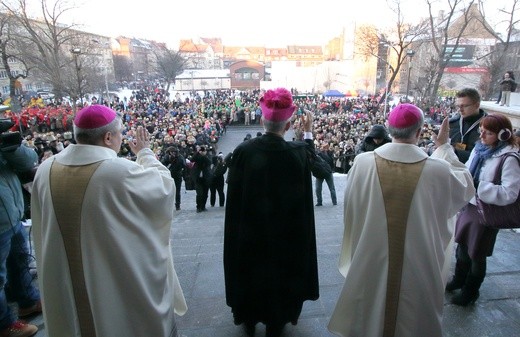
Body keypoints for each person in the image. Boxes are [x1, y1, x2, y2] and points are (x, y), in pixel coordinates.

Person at [31, 105, 187, 337]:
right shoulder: (118, 171)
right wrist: (145, 153)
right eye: (121, 132)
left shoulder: (45, 169)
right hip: (110, 281)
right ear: (107, 137)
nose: (122, 137)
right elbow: (164, 189)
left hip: (62, 279)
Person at [328, 104, 475, 337]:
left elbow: (352, 208)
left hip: (371, 254)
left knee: (371, 310)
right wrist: (444, 147)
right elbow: (465, 187)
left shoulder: (363, 163)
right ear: (418, 133)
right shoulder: (438, 170)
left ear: (389, 129)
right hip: (419, 261)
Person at [224, 88, 319, 337]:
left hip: (249, 233)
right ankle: (277, 318)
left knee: (250, 271)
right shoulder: (297, 153)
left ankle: (248, 316)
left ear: (261, 119)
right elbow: (318, 163)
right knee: (281, 274)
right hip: (286, 236)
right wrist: (307, 133)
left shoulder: (244, 152)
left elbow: (233, 197)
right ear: (288, 124)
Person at [447, 113, 520, 306]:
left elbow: (509, 192)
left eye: (487, 133)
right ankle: (459, 280)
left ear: (503, 135)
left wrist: (479, 186)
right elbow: (467, 172)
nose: (481, 137)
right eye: (481, 132)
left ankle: (471, 290)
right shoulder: (479, 150)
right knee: (462, 245)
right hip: (469, 207)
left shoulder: (509, 158)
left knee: (477, 253)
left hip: (487, 212)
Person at [0, 123, 41, 337]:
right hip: (2, 217)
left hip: (12, 212)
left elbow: (28, 160)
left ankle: (28, 301)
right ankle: (4, 324)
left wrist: (11, 146)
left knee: (20, 260)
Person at [449, 88, 487, 163]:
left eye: (464, 106)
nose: (460, 109)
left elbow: (484, 156)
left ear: (477, 105)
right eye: (458, 106)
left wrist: (454, 151)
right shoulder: (452, 123)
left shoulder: (489, 127)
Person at [161, 146, 186, 211]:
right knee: (168, 191)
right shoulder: (166, 157)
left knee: (177, 191)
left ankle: (178, 205)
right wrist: (169, 160)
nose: (173, 153)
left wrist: (176, 160)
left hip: (177, 175)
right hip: (168, 176)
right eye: (171, 152)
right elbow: (162, 164)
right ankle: (168, 205)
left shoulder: (179, 157)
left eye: (174, 152)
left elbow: (183, 164)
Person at [191, 145, 212, 212]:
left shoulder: (207, 156)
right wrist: (198, 152)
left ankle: (203, 206)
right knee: (199, 193)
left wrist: (204, 155)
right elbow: (192, 159)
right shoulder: (197, 156)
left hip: (206, 177)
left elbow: (209, 162)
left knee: (205, 193)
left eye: (204, 150)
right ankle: (198, 207)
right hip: (198, 178)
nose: (203, 151)